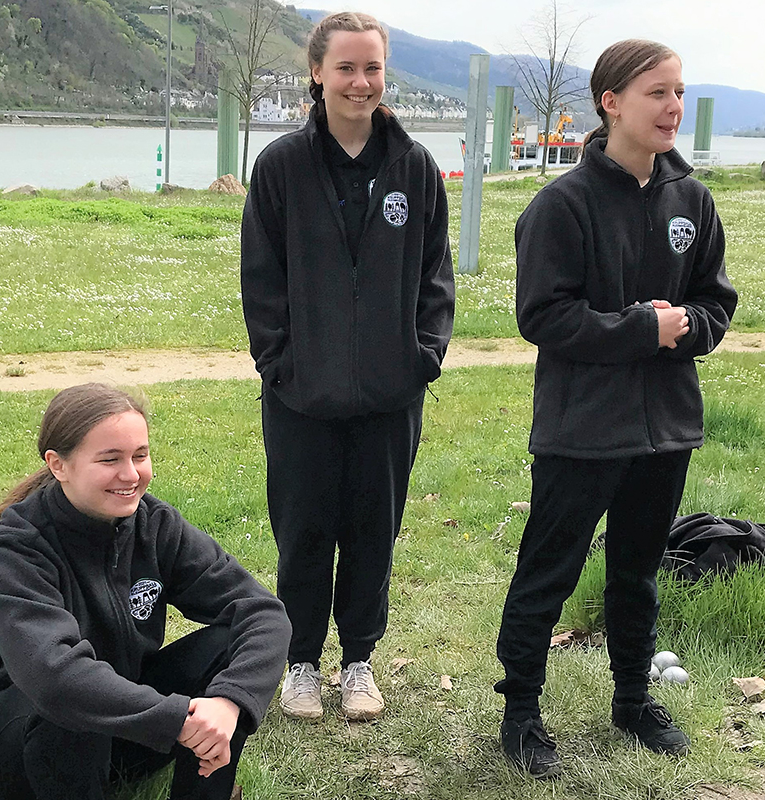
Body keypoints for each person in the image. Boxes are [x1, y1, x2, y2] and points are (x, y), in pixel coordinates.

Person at [493, 39, 738, 777]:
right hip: (581, 429)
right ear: (612, 102)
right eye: (658, 93)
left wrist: (687, 325)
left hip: (665, 427)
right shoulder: (560, 206)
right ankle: (522, 711)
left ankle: (633, 700)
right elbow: (543, 316)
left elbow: (717, 304)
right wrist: (642, 327)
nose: (673, 108)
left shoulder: (691, 200)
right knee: (550, 568)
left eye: (679, 92)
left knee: (638, 570)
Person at [240, 11, 455, 722]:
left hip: (390, 398)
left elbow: (435, 276)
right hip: (301, 398)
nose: (360, 83)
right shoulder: (280, 168)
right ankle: (299, 663)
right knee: (303, 530)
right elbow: (261, 281)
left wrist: (421, 358)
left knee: (373, 529)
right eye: (346, 68)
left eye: (372, 69)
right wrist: (281, 364)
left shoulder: (415, 168)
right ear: (317, 74)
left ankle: (357, 659)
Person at [0, 383, 291, 800]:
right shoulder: (18, 546)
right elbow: (54, 678)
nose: (130, 474)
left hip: (124, 731)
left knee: (230, 643)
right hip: (14, 743)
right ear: (58, 465)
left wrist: (228, 702)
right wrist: (176, 718)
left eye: (140, 456)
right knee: (71, 701)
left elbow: (263, 613)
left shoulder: (155, 525)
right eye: (110, 459)